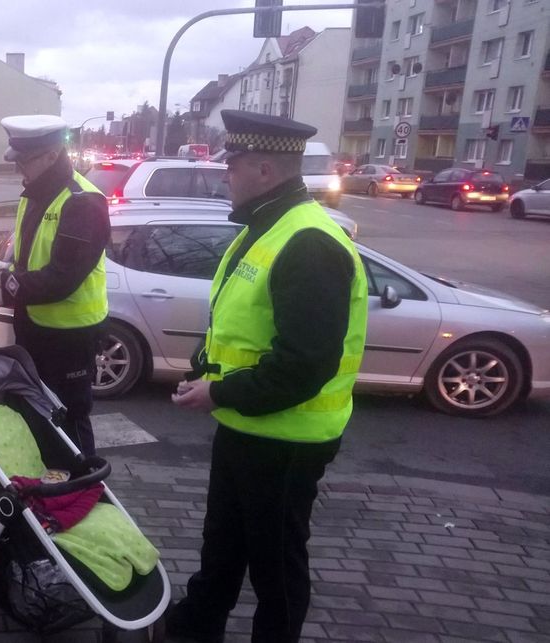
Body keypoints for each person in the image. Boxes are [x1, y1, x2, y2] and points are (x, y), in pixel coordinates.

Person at [165, 110, 369, 643]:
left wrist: (219, 392)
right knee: (222, 547)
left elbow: (304, 365)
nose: (224, 176)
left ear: (263, 170)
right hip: (248, 426)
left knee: (276, 570)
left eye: (231, 166)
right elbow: (241, 321)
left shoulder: (309, 244)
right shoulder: (267, 227)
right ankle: (192, 629)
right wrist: (203, 368)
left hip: (286, 440)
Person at [0, 114, 110, 459]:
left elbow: (61, 279)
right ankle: (41, 488)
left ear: (52, 155)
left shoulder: (83, 203)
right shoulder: (35, 194)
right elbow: (26, 264)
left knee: (69, 419)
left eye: (24, 161)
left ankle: (83, 486)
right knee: (34, 412)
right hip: (36, 329)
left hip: (71, 337)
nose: (19, 170)